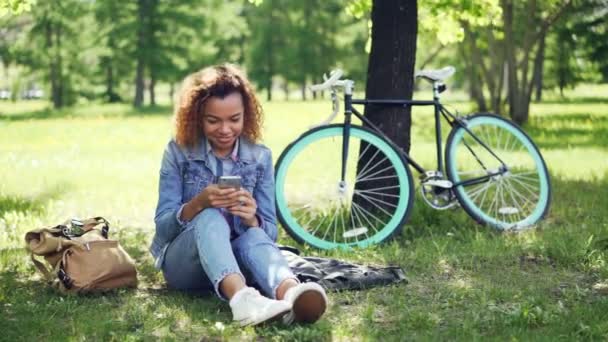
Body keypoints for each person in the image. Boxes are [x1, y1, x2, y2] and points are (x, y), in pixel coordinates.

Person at [150, 64, 327, 326]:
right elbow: (163, 229)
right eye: (213, 120)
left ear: (247, 115)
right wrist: (198, 204)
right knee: (210, 215)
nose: (225, 129)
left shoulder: (260, 157)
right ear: (197, 117)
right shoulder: (178, 152)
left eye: (234, 119)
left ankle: (291, 293)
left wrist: (251, 220)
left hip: (239, 261)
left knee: (254, 234)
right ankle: (243, 301)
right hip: (185, 268)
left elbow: (269, 236)